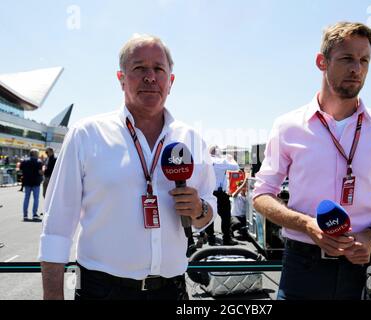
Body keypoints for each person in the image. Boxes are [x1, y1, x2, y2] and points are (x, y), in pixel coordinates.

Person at [39, 34, 217, 300]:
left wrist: (199, 209)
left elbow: (206, 216)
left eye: (159, 69)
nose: (150, 77)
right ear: (121, 79)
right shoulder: (86, 134)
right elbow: (57, 227)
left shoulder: (191, 138)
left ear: (171, 81)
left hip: (172, 290)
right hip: (102, 290)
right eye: (139, 68)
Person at [252, 22, 371, 300]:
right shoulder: (288, 126)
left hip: (364, 262)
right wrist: (306, 225)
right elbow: (261, 195)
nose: (357, 68)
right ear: (321, 62)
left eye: (364, 60)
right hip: (304, 264)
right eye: (347, 58)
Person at [204, 146, 240, 246]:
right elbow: (236, 167)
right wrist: (230, 158)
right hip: (220, 193)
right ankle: (226, 238)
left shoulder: (205, 160)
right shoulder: (222, 161)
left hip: (208, 192)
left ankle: (211, 238)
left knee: (209, 216)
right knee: (225, 217)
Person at [20, 149, 43, 221]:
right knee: (36, 199)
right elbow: (40, 172)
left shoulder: (24, 161)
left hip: (27, 182)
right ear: (35, 154)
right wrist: (43, 174)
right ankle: (34, 214)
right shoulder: (39, 161)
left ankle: (25, 215)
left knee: (26, 198)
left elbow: (20, 169)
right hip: (36, 182)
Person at [230, 176, 250, 240]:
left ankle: (242, 230)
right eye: (242, 187)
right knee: (237, 224)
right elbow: (235, 193)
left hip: (243, 217)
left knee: (246, 229)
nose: (244, 188)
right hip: (234, 216)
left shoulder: (248, 197)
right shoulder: (236, 196)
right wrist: (244, 182)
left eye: (245, 187)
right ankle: (229, 230)